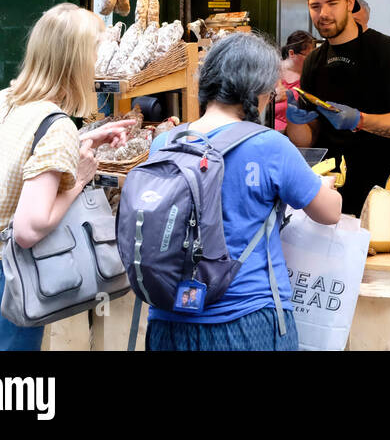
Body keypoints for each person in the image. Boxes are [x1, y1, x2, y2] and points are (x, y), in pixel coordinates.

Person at [0, 3, 132, 351]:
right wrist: (80, 179)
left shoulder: (2, 101)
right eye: (97, 51)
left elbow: (14, 157)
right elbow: (28, 229)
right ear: (77, 61)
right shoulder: (56, 126)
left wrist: (83, 140)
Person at [146, 32, 344, 351]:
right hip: (247, 320)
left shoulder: (165, 143)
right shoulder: (269, 146)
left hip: (167, 320)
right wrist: (322, 185)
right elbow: (329, 213)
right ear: (259, 91)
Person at [286, 0, 390, 214]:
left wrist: (361, 120)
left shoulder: (385, 50)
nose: (323, 14)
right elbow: (308, 138)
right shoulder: (314, 60)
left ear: (349, 2)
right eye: (315, 6)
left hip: (380, 189)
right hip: (330, 190)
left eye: (332, 3)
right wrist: (293, 122)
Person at [273, 30, 315, 131]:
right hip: (266, 130)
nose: (312, 60)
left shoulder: (309, 78)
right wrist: (272, 98)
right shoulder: (271, 70)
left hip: (293, 135)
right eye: (308, 56)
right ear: (291, 53)